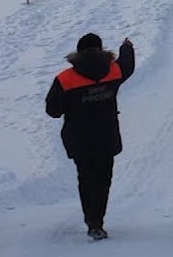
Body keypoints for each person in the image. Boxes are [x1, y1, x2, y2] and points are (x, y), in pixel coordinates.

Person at [45, 33, 136, 240]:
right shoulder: (112, 71)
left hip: (79, 139)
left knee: (86, 178)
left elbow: (53, 110)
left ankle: (91, 220)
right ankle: (98, 221)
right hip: (107, 135)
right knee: (104, 179)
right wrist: (127, 46)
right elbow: (127, 66)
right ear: (101, 49)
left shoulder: (65, 79)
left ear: (78, 52)